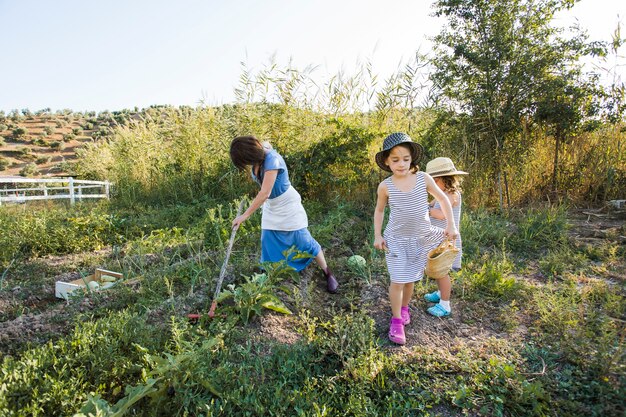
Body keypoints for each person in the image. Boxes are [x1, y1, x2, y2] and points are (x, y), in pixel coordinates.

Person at [373, 133, 458, 345]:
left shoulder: (423, 179)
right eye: (395, 160)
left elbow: (443, 200)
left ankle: (404, 308)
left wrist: (451, 225)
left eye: (405, 159)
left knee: (410, 279)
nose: (401, 164)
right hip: (397, 239)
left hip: (421, 237)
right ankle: (396, 321)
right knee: (398, 280)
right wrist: (377, 234)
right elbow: (380, 211)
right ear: (386, 161)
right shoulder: (386, 186)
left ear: (412, 159)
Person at [229, 135, 339, 293]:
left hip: (287, 204)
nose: (247, 165)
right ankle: (266, 276)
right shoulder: (258, 159)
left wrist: (244, 216)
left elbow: (265, 192)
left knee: (304, 240)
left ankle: (328, 273)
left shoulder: (273, 160)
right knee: (268, 240)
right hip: (272, 206)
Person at [424, 157, 468, 318]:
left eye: (434, 181)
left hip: (446, 240)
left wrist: (428, 211)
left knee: (442, 272)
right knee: (437, 268)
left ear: (444, 180)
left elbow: (442, 214)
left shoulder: (451, 194)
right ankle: (439, 292)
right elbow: (431, 204)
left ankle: (445, 304)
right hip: (437, 238)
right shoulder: (441, 193)